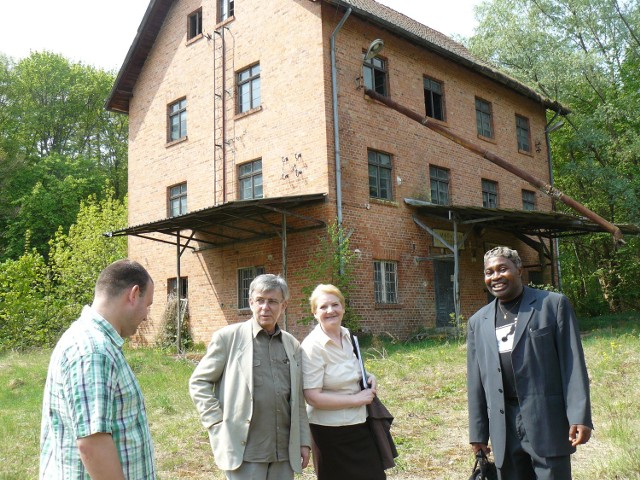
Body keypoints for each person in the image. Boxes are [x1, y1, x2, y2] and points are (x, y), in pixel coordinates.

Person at [467, 246, 593, 480]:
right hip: (503, 426)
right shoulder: (478, 321)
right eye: (489, 272)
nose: (495, 277)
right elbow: (475, 381)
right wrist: (478, 433)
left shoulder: (552, 305)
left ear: (519, 270)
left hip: (547, 420)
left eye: (502, 269)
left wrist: (580, 415)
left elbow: (572, 363)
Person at [39, 259, 156, 480]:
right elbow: (92, 445)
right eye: (147, 305)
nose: (146, 316)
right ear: (133, 294)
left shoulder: (93, 342)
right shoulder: (93, 350)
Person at [189, 274, 311, 480]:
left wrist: (303, 440)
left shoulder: (292, 345)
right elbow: (198, 382)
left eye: (272, 301)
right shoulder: (228, 338)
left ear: (284, 305)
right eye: (260, 300)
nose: (265, 307)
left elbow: (297, 398)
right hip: (246, 451)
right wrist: (216, 423)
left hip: (283, 452)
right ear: (251, 302)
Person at [301, 284, 385, 480]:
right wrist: (356, 399)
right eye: (323, 307)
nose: (330, 310)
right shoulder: (312, 347)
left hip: (360, 425)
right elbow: (312, 397)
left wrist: (369, 377)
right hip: (330, 433)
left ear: (343, 308)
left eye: (335, 304)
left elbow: (351, 371)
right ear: (314, 313)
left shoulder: (348, 336)